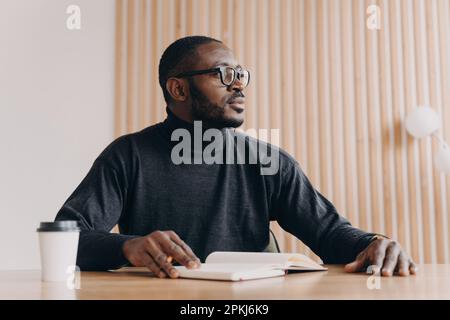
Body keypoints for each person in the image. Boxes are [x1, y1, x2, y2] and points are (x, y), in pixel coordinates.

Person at [56, 36, 417, 278]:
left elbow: (329, 233)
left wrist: (372, 244)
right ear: (178, 88)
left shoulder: (268, 160)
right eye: (224, 74)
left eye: (241, 74)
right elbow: (68, 238)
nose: (238, 84)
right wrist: (129, 246)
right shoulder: (128, 155)